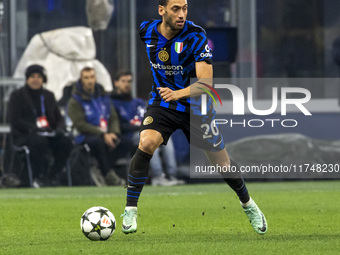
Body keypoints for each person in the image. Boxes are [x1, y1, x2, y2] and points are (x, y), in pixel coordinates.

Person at [121, 0, 267, 235]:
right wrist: (168, 93)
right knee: (146, 142)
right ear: (162, 10)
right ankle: (130, 209)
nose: (181, 14)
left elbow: (206, 83)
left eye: (185, 8)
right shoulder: (146, 31)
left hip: (196, 108)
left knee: (222, 164)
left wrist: (177, 92)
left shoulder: (196, 36)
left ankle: (248, 204)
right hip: (163, 104)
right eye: (175, 8)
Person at [111, 71, 184, 186]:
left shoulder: (138, 102)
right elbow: (118, 126)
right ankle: (157, 177)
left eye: (129, 81)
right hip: (129, 136)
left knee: (166, 136)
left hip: (146, 131)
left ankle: (172, 175)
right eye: (123, 81)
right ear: (116, 83)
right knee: (148, 138)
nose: (127, 84)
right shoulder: (112, 103)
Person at [8, 64, 73, 187]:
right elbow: (15, 120)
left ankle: (52, 175)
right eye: (32, 76)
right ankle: (36, 176)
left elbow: (58, 118)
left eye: (39, 76)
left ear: (43, 79)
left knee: (66, 142)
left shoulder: (48, 96)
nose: (36, 79)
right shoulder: (17, 96)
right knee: (39, 141)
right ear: (27, 79)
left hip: (48, 134)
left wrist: (59, 129)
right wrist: (34, 128)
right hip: (26, 134)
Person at [68, 67, 125, 186]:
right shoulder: (75, 100)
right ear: (81, 80)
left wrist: (113, 132)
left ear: (96, 78)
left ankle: (99, 169)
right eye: (86, 78)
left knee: (125, 142)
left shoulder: (103, 96)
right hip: (84, 136)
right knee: (98, 142)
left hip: (106, 133)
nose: (89, 80)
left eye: (92, 77)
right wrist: (103, 134)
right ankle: (108, 175)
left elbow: (113, 117)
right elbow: (80, 124)